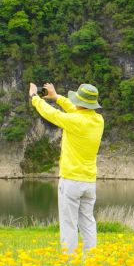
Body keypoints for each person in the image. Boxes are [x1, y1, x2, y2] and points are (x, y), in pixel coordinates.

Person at [29, 82, 104, 255]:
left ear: (80, 102)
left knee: (68, 223)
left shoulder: (75, 121)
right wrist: (57, 98)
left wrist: (34, 98)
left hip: (71, 181)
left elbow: (51, 114)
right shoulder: (98, 120)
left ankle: (69, 260)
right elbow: (76, 110)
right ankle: (90, 258)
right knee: (87, 222)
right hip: (89, 182)